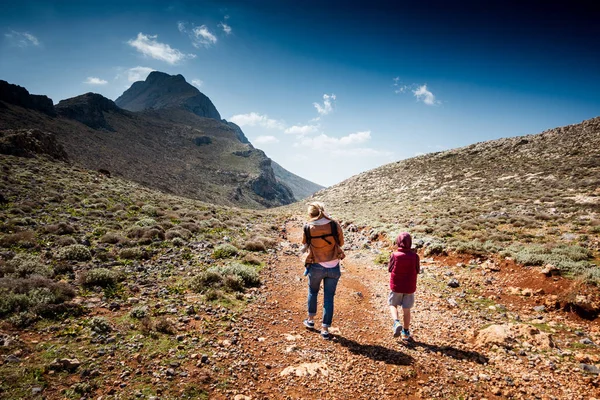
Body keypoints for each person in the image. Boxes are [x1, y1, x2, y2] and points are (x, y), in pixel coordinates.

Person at [301, 202, 345, 340]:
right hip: (333, 266)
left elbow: (304, 244)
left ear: (310, 214)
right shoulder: (333, 224)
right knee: (329, 298)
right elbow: (341, 243)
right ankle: (325, 329)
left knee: (313, 292)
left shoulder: (308, 227)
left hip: (316, 265)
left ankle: (310, 320)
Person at [388, 232, 420, 340]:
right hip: (409, 287)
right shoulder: (415, 256)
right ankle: (405, 332)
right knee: (406, 310)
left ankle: (396, 323)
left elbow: (390, 269)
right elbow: (417, 270)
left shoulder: (395, 255)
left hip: (396, 286)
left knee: (392, 304)